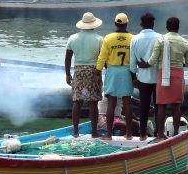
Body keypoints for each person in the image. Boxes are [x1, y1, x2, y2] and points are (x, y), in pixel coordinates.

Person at [142, 17, 188, 138]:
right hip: (178, 74)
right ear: (178, 27)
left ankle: (160, 134)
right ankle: (175, 133)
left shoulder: (161, 40)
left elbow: (152, 60)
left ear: (167, 27)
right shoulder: (185, 42)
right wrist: (179, 64)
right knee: (176, 105)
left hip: (163, 73)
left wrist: (144, 64)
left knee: (161, 104)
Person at [65, 12, 104, 138]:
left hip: (78, 71)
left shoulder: (72, 38)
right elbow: (102, 58)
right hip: (94, 71)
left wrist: (67, 74)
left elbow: (68, 58)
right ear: (94, 25)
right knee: (93, 102)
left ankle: (75, 131)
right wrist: (101, 75)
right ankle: (94, 132)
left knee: (77, 101)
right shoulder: (99, 39)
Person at [95, 13, 134, 141]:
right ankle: (129, 133)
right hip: (126, 71)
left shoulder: (108, 38)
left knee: (111, 103)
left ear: (115, 24)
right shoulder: (132, 38)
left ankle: (109, 134)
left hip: (112, 71)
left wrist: (98, 71)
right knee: (127, 102)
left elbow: (102, 57)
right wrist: (134, 74)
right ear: (126, 24)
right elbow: (134, 57)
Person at [129, 12, 162, 141]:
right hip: (158, 77)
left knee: (144, 106)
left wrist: (134, 77)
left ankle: (143, 134)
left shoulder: (135, 39)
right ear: (153, 24)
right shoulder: (160, 38)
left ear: (141, 24)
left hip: (143, 79)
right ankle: (159, 133)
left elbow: (132, 63)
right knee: (159, 106)